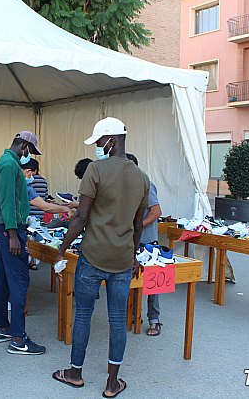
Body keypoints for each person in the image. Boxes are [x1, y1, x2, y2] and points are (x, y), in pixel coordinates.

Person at [52, 117, 149, 398]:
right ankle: (112, 383)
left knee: (83, 315)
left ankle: (75, 373)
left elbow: (81, 216)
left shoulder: (95, 170)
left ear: (111, 140)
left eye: (99, 142)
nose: (97, 147)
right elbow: (139, 224)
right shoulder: (142, 177)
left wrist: (62, 248)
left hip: (92, 257)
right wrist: (132, 256)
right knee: (118, 320)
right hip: (121, 260)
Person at [0, 175, 70, 308]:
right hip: (0, 223)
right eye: (29, 171)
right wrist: (66, 209)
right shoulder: (22, 183)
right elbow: (45, 207)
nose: (30, 175)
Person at [0, 131, 46, 355]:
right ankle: (18, 338)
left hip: (5, 228)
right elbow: (8, 202)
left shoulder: (7, 162)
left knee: (3, 277)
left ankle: (3, 326)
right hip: (9, 230)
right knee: (20, 281)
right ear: (23, 145)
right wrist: (13, 234)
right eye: (29, 150)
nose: (29, 156)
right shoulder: (10, 165)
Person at [126, 153, 163, 337]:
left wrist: (138, 226)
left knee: (153, 284)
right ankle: (133, 314)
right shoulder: (124, 187)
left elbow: (156, 211)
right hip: (131, 242)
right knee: (132, 280)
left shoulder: (147, 186)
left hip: (148, 242)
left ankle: (154, 319)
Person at [23, 158, 49, 269]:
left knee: (26, 238)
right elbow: (46, 198)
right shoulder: (43, 181)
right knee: (36, 238)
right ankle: (33, 261)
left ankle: (26, 259)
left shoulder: (27, 181)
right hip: (39, 214)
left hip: (28, 214)